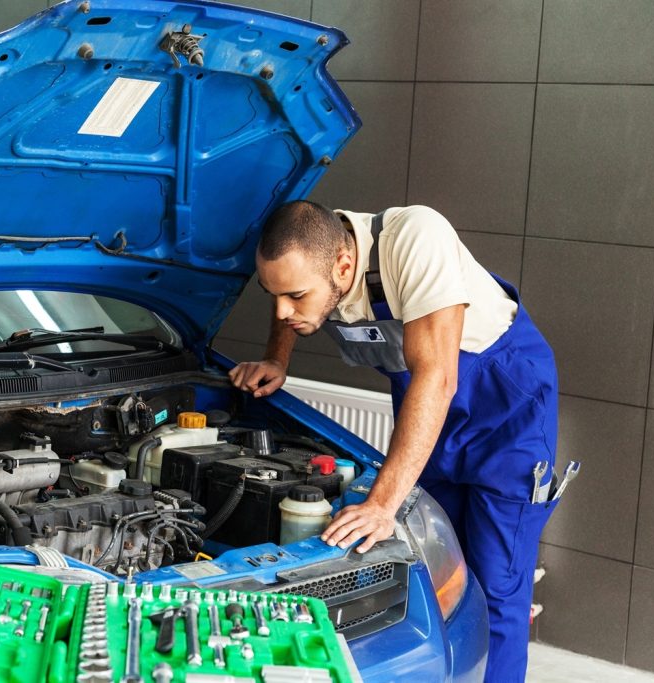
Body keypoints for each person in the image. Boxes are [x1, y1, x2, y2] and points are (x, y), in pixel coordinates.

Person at [229, 200, 559, 682]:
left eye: (297, 296)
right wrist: (277, 360)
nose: (284, 309)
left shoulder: (414, 239)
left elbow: (439, 378)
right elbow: (287, 296)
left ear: (345, 266)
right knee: (439, 572)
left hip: (504, 405)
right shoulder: (315, 253)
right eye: (272, 294)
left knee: (497, 584)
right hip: (428, 410)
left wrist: (382, 504)